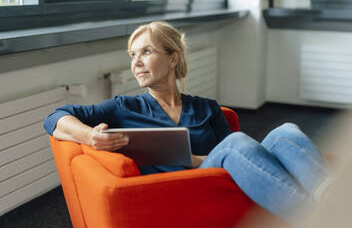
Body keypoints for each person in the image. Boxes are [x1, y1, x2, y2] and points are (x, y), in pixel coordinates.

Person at [43, 21, 332, 224]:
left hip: (217, 182)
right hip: (178, 191)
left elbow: (239, 160)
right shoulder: (123, 107)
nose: (136, 62)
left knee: (285, 132)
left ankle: (337, 198)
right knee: (235, 142)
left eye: (146, 52)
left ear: (172, 59)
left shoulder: (206, 107)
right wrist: (89, 136)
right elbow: (54, 118)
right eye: (133, 55)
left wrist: (198, 158)